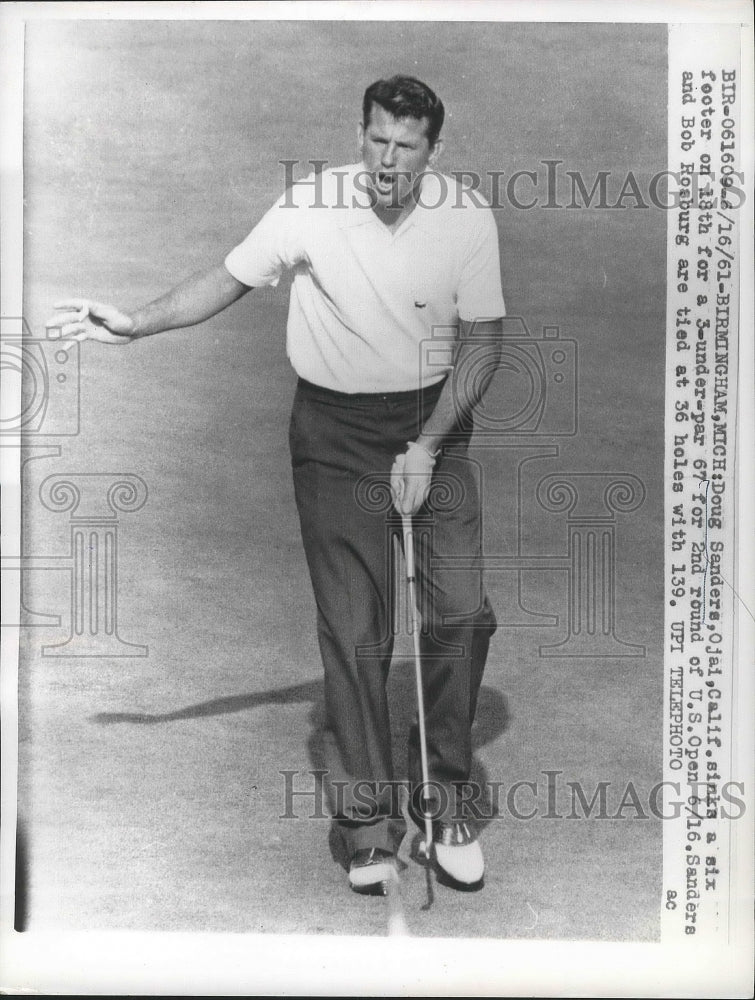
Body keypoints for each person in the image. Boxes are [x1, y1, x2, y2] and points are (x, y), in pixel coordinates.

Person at [47, 75, 506, 894]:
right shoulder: (311, 202)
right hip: (333, 434)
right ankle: (369, 823)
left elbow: (480, 348)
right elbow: (228, 276)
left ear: (433, 150)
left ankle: (446, 801)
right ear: (359, 133)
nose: (386, 161)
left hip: (434, 424)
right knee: (354, 627)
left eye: (405, 146)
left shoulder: (465, 215)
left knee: (462, 612)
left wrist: (428, 448)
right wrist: (138, 322)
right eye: (375, 140)